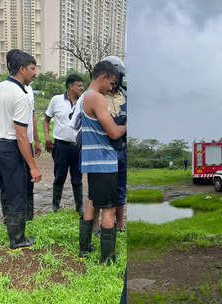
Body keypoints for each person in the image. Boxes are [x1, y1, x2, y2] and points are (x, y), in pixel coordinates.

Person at [0, 49, 42, 250]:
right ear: (21, 69)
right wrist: (33, 167)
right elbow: (20, 136)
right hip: (9, 149)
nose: (35, 73)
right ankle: (17, 240)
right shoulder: (21, 95)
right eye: (32, 68)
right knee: (16, 192)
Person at [77, 60, 126, 264]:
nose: (112, 87)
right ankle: (107, 258)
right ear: (103, 77)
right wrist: (126, 126)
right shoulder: (96, 98)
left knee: (92, 202)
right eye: (112, 82)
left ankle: (85, 248)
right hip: (104, 160)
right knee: (109, 208)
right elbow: (114, 133)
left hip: (92, 160)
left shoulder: (84, 97)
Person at [93, 56, 127, 236]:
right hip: (103, 148)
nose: (115, 81)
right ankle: (97, 226)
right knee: (99, 189)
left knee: (121, 186)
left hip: (122, 148)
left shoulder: (126, 95)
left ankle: (120, 223)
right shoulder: (96, 95)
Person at [43, 74, 85, 214]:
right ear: (70, 86)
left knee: (77, 178)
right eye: (79, 85)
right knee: (59, 176)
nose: (81, 88)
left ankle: (79, 207)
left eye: (82, 85)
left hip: (78, 147)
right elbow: (46, 120)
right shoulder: (56, 100)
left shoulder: (84, 101)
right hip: (60, 146)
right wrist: (47, 138)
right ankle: (55, 205)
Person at [1, 83, 41, 223]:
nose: (34, 73)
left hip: (27, 142)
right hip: (11, 142)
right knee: (9, 182)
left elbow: (32, 116)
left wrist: (36, 139)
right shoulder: (6, 90)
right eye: (32, 68)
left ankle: (28, 216)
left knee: (29, 181)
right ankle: (8, 218)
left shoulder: (29, 90)